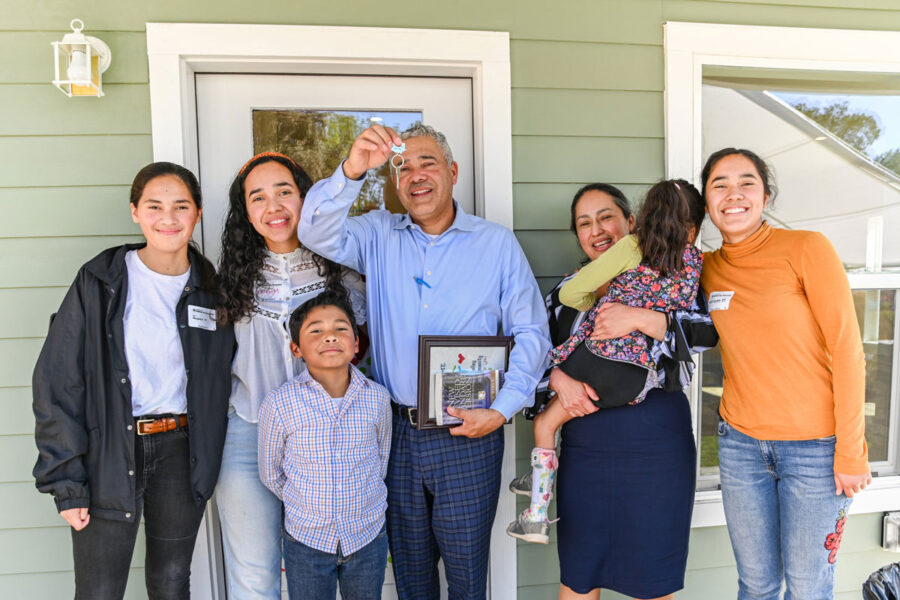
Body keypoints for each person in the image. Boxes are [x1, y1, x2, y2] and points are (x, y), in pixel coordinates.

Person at [298, 123, 550, 599]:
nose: (414, 175)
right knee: (412, 578)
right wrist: (353, 169)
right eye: (401, 167)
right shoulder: (376, 234)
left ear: (452, 172)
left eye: (426, 162)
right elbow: (314, 230)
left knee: (467, 577)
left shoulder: (495, 244)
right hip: (394, 435)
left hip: (468, 435)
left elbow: (532, 333)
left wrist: (500, 410)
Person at [32, 162, 234, 599]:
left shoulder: (212, 290)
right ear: (135, 212)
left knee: (170, 584)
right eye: (155, 206)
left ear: (197, 214)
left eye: (181, 206)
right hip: (109, 451)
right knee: (100, 590)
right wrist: (67, 482)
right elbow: (57, 381)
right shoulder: (100, 280)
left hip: (183, 454)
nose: (168, 217)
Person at [700, 148, 871, 599]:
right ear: (706, 201)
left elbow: (849, 352)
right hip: (741, 448)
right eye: (719, 184)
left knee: (808, 588)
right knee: (756, 586)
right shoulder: (706, 270)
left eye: (746, 183)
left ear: (766, 196)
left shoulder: (805, 248)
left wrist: (851, 452)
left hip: (816, 451)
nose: (732, 194)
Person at [529, 183, 711, 600]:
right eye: (584, 223)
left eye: (606, 216)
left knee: (653, 578)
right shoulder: (566, 293)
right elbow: (533, 353)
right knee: (580, 573)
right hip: (588, 442)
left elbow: (707, 331)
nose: (597, 230)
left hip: (657, 439)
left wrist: (644, 318)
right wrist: (558, 379)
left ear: (632, 223)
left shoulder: (675, 268)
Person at [214, 151, 367, 599]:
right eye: (257, 197)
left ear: (306, 197)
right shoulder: (231, 279)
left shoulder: (341, 270)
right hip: (248, 433)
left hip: (327, 436)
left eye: (285, 191)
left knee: (328, 569)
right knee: (254, 574)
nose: (273, 206)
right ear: (246, 212)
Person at [258, 290, 391, 600]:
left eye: (341, 328)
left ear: (356, 343)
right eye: (316, 330)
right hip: (307, 540)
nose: (330, 337)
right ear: (296, 348)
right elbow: (271, 472)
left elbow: (380, 459)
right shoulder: (279, 404)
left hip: (367, 536)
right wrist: (307, 503)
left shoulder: (377, 398)